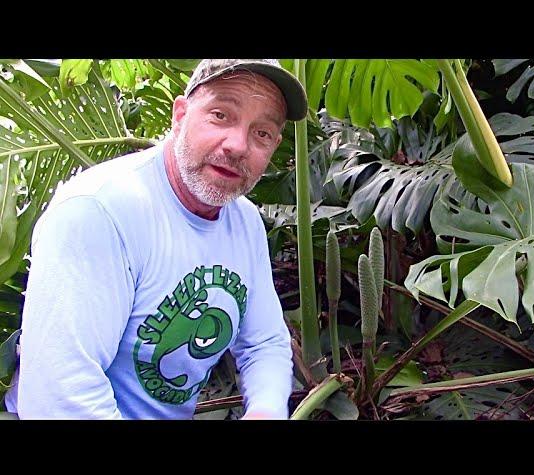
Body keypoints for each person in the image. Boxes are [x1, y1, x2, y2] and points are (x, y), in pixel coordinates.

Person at [3, 59, 308, 419]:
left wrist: (266, 411)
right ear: (180, 116)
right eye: (221, 115)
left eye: (262, 133)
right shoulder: (98, 212)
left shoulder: (244, 221)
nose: (238, 145)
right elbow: (60, 397)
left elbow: (265, 342)